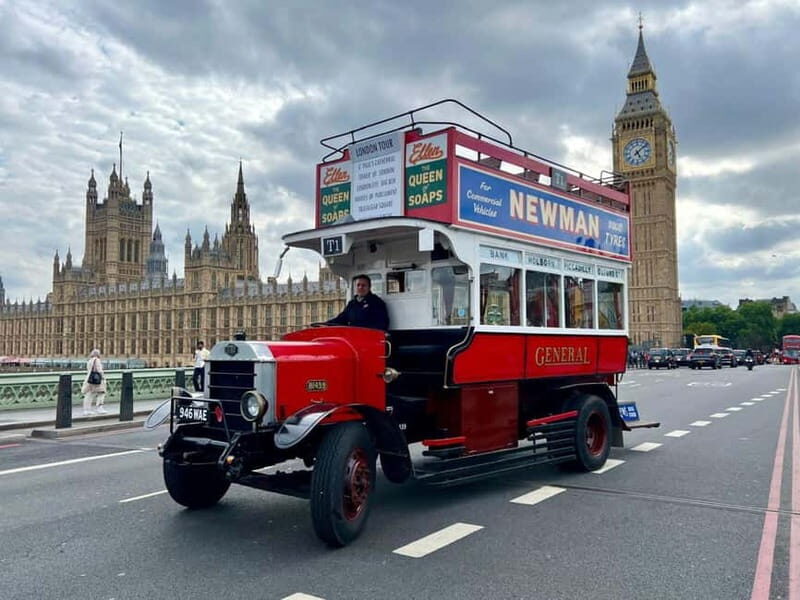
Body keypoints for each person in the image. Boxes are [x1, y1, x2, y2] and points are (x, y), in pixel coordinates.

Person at [81, 349, 106, 416]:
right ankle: (99, 408)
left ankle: (86, 410)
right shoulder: (97, 360)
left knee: (89, 394)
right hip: (97, 379)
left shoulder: (89, 360)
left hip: (89, 379)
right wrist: (103, 377)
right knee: (101, 393)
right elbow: (99, 370)